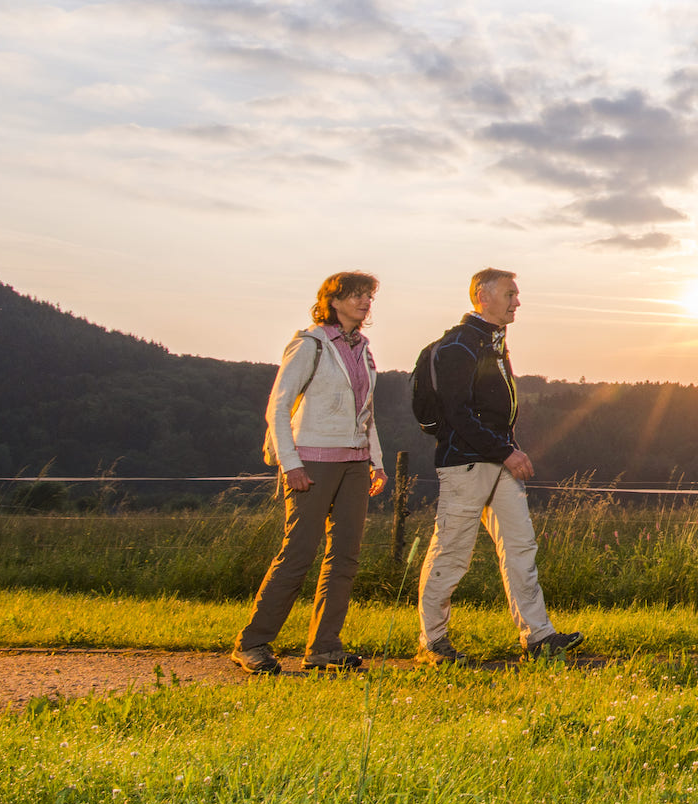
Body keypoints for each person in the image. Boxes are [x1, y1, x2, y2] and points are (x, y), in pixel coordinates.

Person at [415, 267, 584, 663]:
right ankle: (433, 641)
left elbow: (493, 411)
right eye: (510, 294)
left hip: (499, 461)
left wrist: (508, 448)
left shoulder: (492, 344)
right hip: (466, 465)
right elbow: (457, 414)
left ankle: (538, 637)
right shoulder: (458, 347)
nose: (517, 302)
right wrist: (505, 451)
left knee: (521, 546)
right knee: (452, 552)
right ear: (482, 296)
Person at [231, 271, 389, 675]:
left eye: (368, 296)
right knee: (297, 554)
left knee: (345, 558)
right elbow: (277, 408)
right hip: (312, 463)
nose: (365, 302)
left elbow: (366, 411)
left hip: (355, 464)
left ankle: (324, 648)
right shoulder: (309, 344)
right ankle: (252, 644)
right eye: (356, 295)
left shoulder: (364, 349)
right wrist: (292, 465)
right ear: (333, 301)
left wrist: (377, 462)